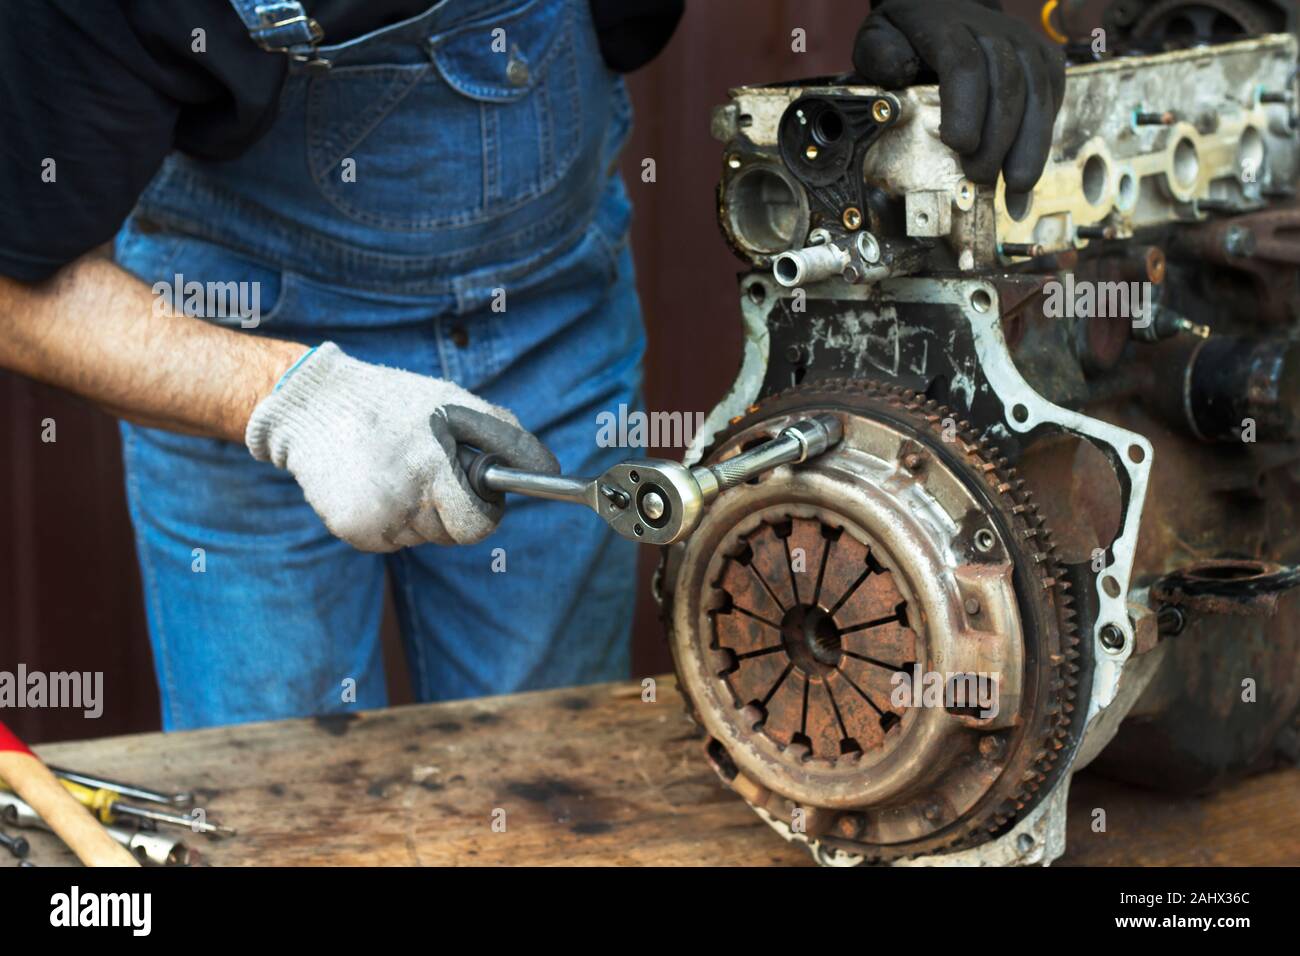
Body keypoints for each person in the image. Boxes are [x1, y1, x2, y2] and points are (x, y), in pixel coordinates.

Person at [0, 0, 1064, 729]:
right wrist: (287, 400)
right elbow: (15, 287)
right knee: (269, 791)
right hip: (237, 347)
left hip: (550, 320)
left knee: (538, 774)